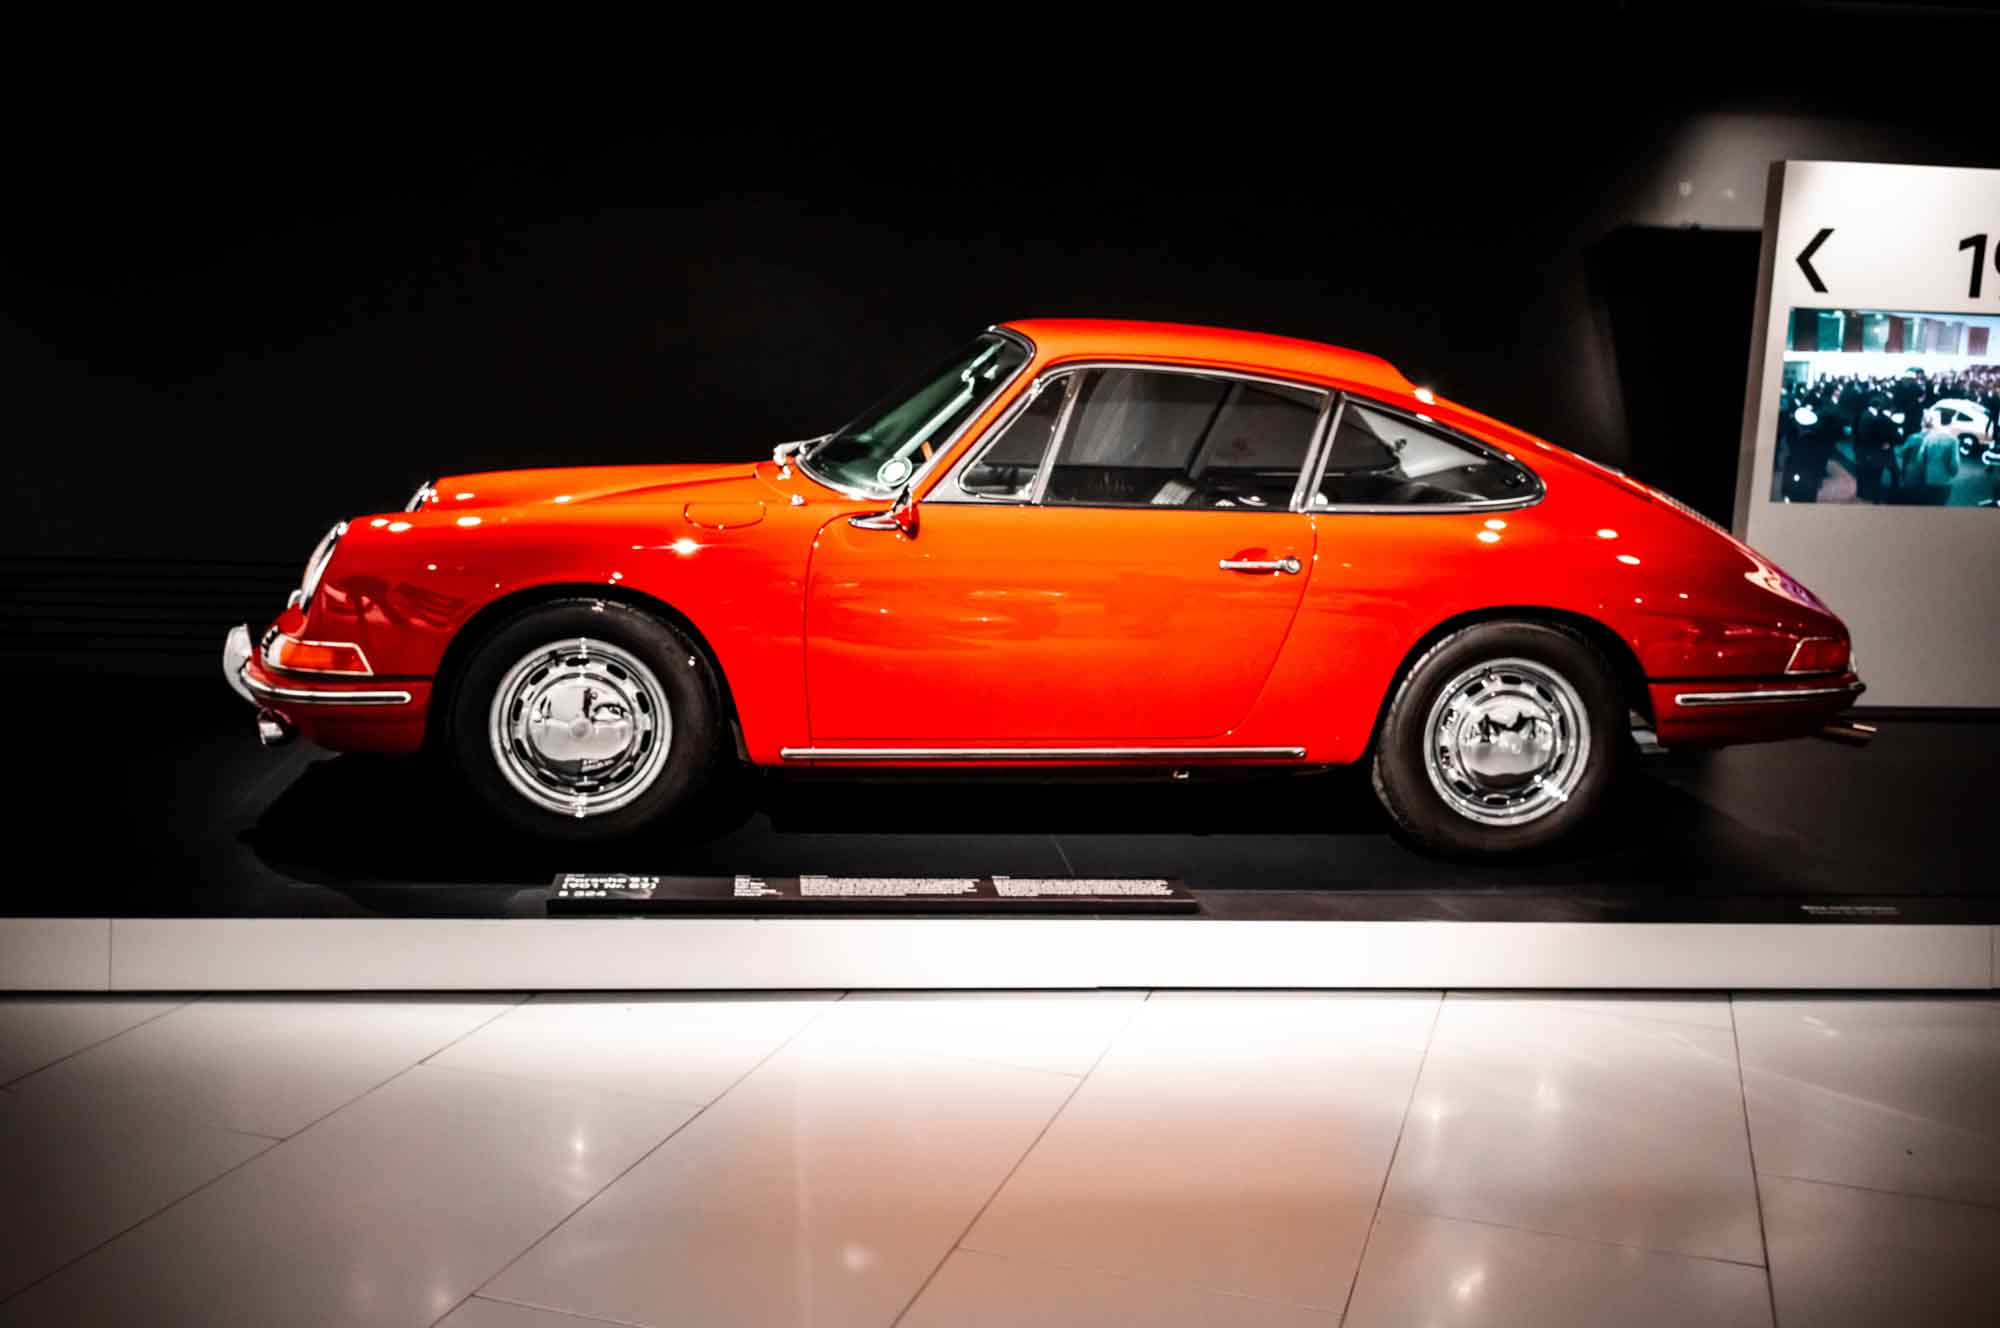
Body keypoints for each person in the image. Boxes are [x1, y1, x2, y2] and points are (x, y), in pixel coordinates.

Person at [1896, 422, 1960, 505]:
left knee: (1912, 498)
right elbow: (1954, 463)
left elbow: (1902, 452)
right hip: (1929, 476)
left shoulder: (1914, 437)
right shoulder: (1935, 438)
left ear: (1922, 426)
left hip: (1912, 471)